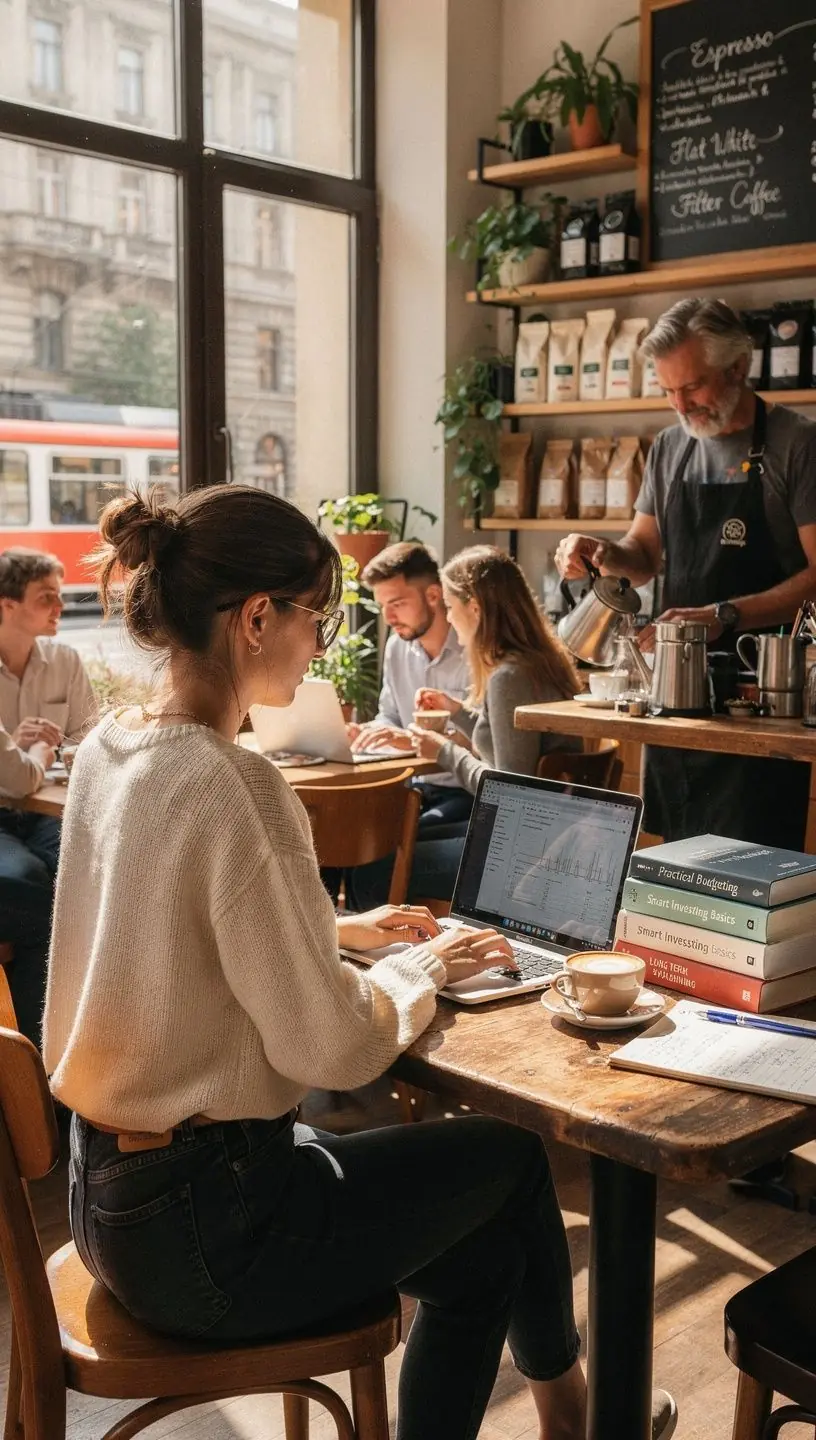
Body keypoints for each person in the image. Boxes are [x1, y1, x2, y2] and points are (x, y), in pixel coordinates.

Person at [43, 485, 590, 1440]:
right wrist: (422, 971)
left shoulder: (107, 751)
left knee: (482, 1253)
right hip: (216, 1234)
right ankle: (581, 1418)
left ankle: (575, 1423)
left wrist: (332, 932)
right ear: (258, 616)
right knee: (507, 1160)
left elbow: (153, 945)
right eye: (318, 616)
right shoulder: (236, 782)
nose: (325, 641)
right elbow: (335, 1049)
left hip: (109, 1206)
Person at [556, 298, 816, 850]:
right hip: (674, 695)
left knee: (751, 881)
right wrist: (602, 552)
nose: (679, 403)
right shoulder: (671, 448)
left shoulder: (798, 444)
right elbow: (644, 557)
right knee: (670, 873)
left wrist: (725, 616)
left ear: (739, 369)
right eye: (668, 389)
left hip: (764, 704)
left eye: (692, 387)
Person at [351, 546, 581, 907]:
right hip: (540, 839)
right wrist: (457, 711)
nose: (449, 615)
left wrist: (443, 751)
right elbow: (512, 744)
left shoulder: (508, 677)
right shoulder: (533, 665)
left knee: (373, 869)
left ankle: (394, 956)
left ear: (474, 608)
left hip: (515, 853)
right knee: (396, 840)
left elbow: (508, 790)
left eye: (451, 606)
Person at [0, 548, 97, 1044]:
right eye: (46, 598)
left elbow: (91, 739)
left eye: (60, 596)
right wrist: (37, 745)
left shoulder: (64, 660)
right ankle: (36, 1058)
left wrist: (61, 749)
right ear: (6, 605)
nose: (60, 606)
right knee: (40, 890)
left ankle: (74, 1043)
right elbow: (15, 779)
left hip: (39, 815)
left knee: (94, 871)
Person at [349, 542, 472, 835]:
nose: (388, 618)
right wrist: (367, 733)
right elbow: (389, 716)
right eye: (382, 606)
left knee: (392, 842)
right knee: (344, 831)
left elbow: (482, 739)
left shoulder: (473, 651)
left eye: (397, 604)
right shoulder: (396, 648)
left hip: (465, 791)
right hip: (411, 787)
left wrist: (409, 739)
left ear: (433, 595)